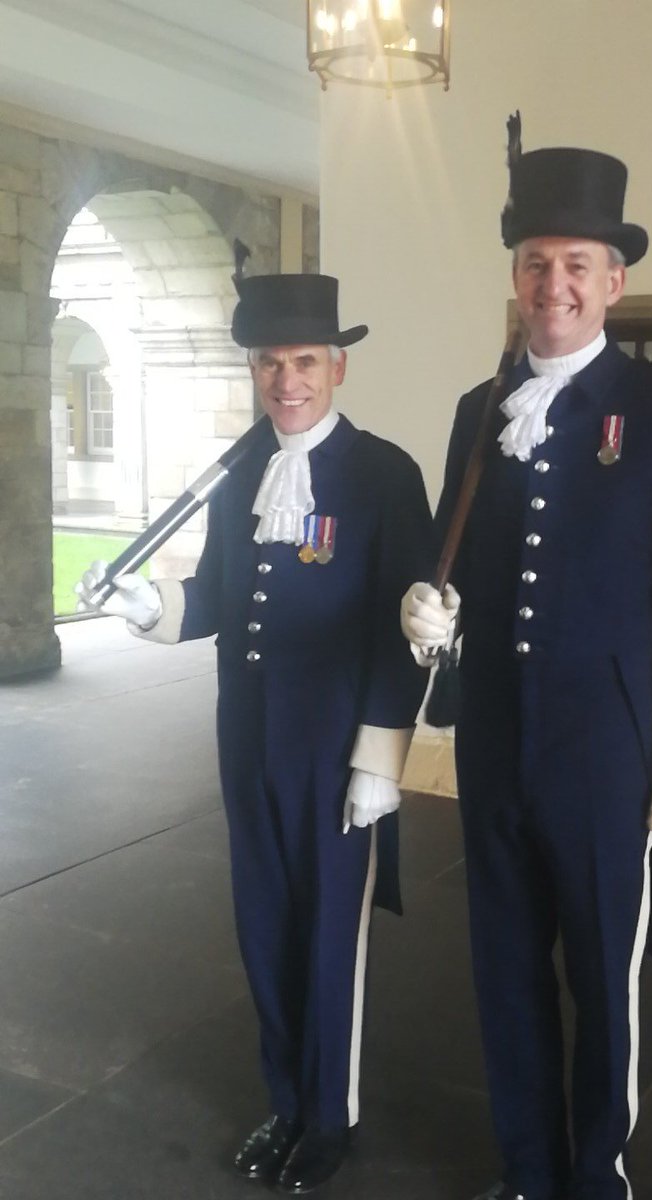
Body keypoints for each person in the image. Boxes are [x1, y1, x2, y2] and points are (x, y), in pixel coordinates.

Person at [401, 115, 652, 1200]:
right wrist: (434, 622)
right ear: (518, 275)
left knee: (606, 981)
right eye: (538, 262)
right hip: (497, 744)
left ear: (616, 283)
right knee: (504, 976)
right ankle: (528, 1171)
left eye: (578, 265)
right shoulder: (477, 410)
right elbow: (466, 567)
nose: (556, 283)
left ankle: (597, 1177)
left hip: (608, 755)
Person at [79, 259, 432, 1194]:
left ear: (338, 367)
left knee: (328, 939)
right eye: (271, 363)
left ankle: (329, 1118)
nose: (288, 380)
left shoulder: (385, 474)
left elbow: (409, 628)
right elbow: (225, 598)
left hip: (337, 754)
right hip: (249, 744)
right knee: (266, 928)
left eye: (306, 360)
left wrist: (381, 754)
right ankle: (284, 1099)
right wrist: (149, 607)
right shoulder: (241, 476)